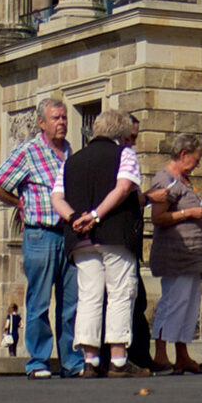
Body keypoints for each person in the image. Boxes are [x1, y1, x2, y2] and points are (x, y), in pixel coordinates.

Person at [0, 98, 81, 379]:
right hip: (40, 233)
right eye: (56, 118)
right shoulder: (28, 151)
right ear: (41, 123)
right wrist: (17, 202)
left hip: (67, 233)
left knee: (71, 301)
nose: (62, 122)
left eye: (64, 117)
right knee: (39, 300)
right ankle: (38, 360)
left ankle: (71, 361)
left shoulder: (70, 152)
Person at [55, 108, 147, 377]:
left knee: (89, 295)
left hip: (81, 238)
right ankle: (118, 360)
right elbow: (123, 188)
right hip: (116, 233)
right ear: (121, 132)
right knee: (120, 292)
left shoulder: (71, 161)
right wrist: (96, 216)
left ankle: (90, 360)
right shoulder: (125, 154)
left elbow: (56, 197)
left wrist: (75, 218)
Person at [146, 133, 202, 374]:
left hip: (191, 254)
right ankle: (161, 354)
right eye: (196, 159)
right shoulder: (165, 180)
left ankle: (182, 355)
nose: (198, 164)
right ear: (183, 154)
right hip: (175, 254)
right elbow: (158, 217)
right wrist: (189, 214)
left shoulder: (184, 180)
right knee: (173, 302)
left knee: (188, 305)